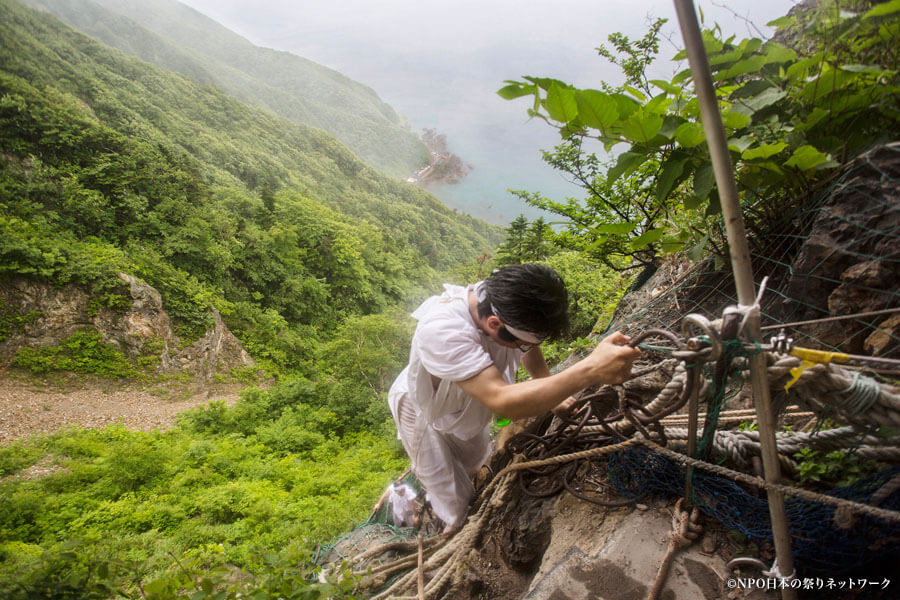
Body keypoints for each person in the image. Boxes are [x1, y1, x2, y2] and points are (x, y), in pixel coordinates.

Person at [387, 263, 640, 533]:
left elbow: (529, 349)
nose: (526, 350)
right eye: (521, 344)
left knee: (474, 462)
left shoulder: (502, 302)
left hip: (469, 396)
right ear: (495, 325)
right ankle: (449, 531)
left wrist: (547, 388)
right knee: (452, 495)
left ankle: (448, 488)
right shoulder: (442, 330)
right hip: (420, 408)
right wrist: (590, 369)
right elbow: (502, 399)